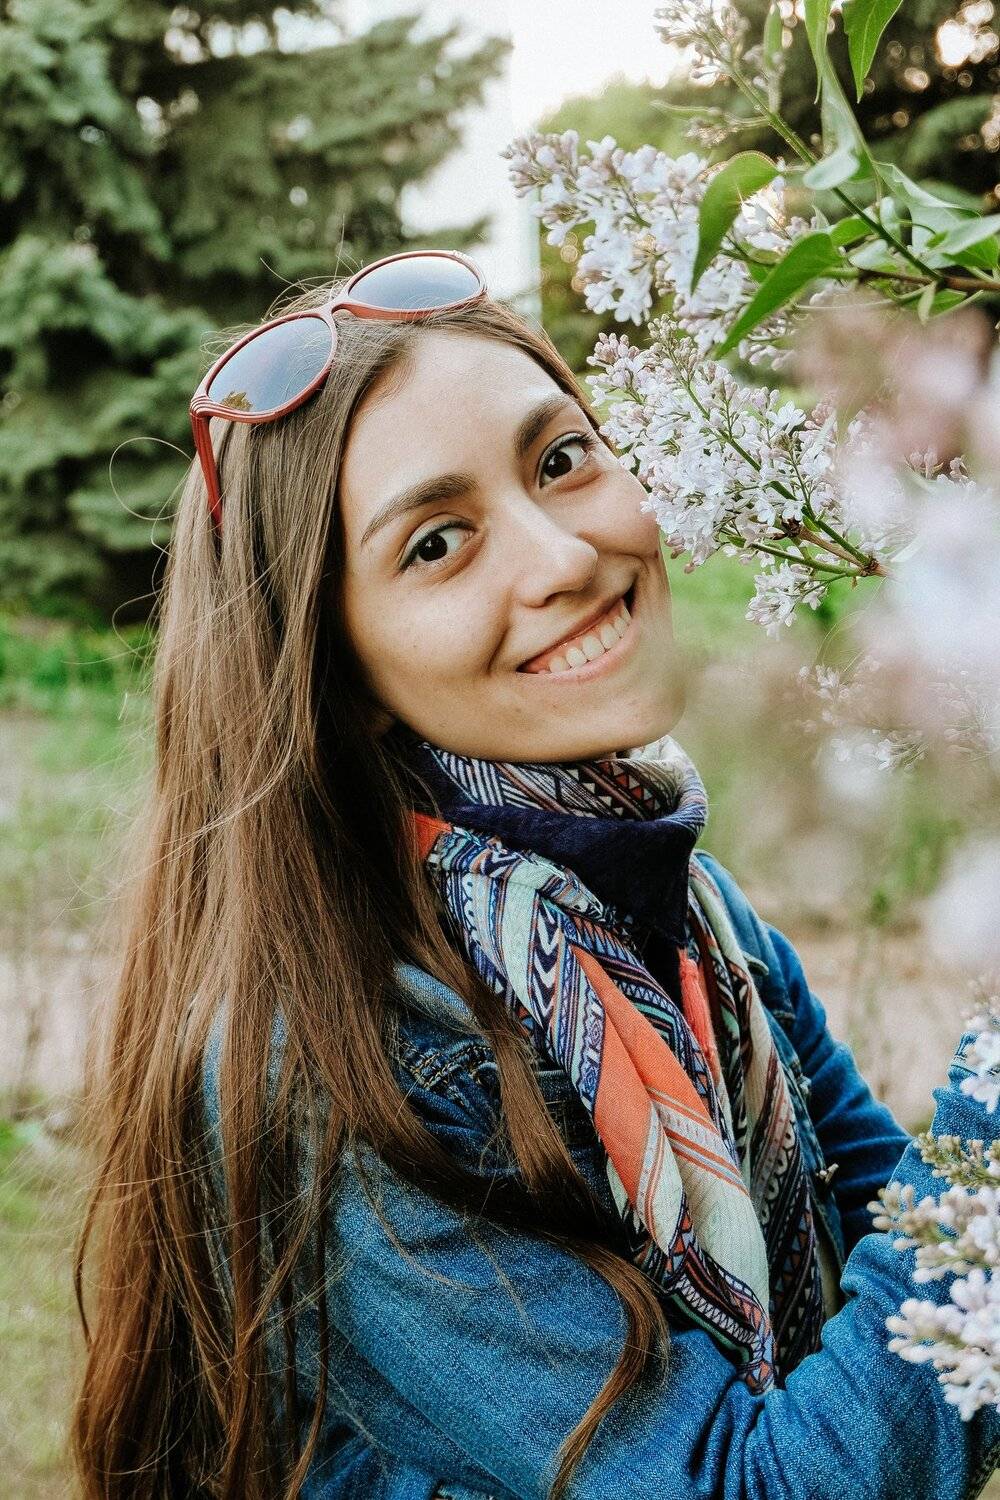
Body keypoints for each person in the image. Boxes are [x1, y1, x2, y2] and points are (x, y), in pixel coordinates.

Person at [71, 250, 1000, 1499]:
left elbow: (932, 1258)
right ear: (339, 679)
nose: (561, 555)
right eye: (437, 543)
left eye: (561, 459)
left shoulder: (690, 915)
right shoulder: (341, 1072)